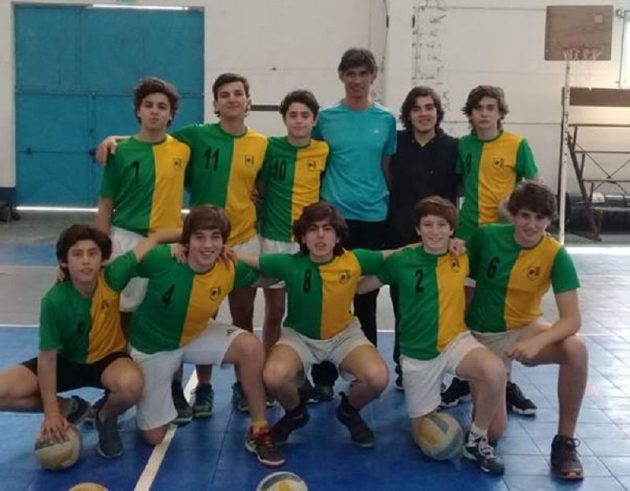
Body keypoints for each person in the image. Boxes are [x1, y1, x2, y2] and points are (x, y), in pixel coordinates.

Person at [95, 73, 267, 418]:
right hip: (160, 240)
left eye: (238, 93)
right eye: (148, 105)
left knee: (219, 313)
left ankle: (213, 386)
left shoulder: (251, 144)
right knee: (139, 316)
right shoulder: (189, 139)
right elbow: (145, 145)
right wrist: (111, 139)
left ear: (249, 100)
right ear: (215, 103)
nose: (155, 111)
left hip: (210, 240)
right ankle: (135, 387)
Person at [357, 196, 506, 474]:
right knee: (425, 439)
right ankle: (432, 412)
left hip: (455, 342)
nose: (435, 231)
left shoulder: (461, 255)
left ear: (452, 229)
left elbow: (501, 235)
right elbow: (362, 286)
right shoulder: (402, 260)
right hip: (417, 354)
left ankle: (476, 439)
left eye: (442, 225)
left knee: (495, 371)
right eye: (428, 225)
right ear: (418, 229)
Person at [128, 205, 284, 467]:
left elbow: (273, 276)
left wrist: (241, 256)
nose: (208, 245)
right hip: (154, 348)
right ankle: (139, 395)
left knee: (250, 347)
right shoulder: (162, 259)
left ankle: (259, 428)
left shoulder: (229, 266)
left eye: (215, 237)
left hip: (193, 335)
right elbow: (116, 270)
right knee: (155, 437)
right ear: (187, 240)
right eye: (199, 237)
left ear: (224, 242)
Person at [0, 224, 170, 459]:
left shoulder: (112, 276)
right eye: (77, 254)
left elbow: (155, 238)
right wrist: (51, 412)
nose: (86, 261)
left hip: (108, 360)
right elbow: (47, 360)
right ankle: (70, 408)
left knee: (131, 385)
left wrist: (187, 244)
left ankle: (105, 417)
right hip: (66, 362)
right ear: (64, 262)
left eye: (92, 253)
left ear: (104, 259)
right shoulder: (54, 301)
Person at [237, 202, 390, 449]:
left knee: (378, 378)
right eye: (313, 229)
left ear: (337, 236)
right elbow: (249, 260)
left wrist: (441, 244)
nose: (320, 236)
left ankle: (349, 411)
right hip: (299, 337)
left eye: (327, 229)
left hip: (344, 336)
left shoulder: (355, 260)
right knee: (273, 377)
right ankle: (296, 413)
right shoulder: (289, 263)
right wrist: (208, 250)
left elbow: (396, 255)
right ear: (302, 237)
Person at [465, 182, 587, 480]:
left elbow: (572, 319)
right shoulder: (487, 237)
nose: (532, 225)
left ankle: (565, 443)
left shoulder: (555, 254)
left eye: (540, 218)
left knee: (576, 349)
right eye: (525, 216)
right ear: (514, 214)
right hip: (482, 337)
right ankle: (484, 383)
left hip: (525, 330)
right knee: (493, 431)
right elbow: (462, 282)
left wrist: (539, 341)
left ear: (549, 220)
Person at [442, 85, 539, 414]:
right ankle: (464, 377)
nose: (484, 113)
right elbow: (458, 186)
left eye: (490, 108)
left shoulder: (517, 144)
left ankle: (506, 383)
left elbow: (535, 187)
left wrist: (511, 206)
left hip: (503, 238)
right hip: (469, 237)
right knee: (465, 308)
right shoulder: (464, 146)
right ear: (470, 114)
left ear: (500, 112)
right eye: (478, 108)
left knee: (499, 311)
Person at [310, 47, 397, 399]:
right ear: (341, 76)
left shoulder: (386, 120)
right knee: (330, 296)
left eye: (363, 74)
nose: (357, 80)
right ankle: (324, 376)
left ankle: (365, 369)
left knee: (366, 297)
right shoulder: (326, 118)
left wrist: (391, 210)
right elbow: (313, 162)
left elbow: (386, 168)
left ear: (373, 77)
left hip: (374, 217)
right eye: (351, 74)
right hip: (335, 219)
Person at [96, 77, 190, 333]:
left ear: (171, 115)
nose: (155, 111)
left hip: (169, 243)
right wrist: (101, 248)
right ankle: (122, 356)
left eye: (162, 106)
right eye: (148, 105)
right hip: (127, 239)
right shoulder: (120, 151)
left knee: (165, 309)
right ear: (138, 110)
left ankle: (165, 362)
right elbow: (106, 203)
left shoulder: (183, 150)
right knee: (124, 310)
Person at [387, 86, 459, 390]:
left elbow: (461, 189)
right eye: (416, 108)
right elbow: (387, 176)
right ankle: (404, 366)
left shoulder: (453, 147)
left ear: (437, 112)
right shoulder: (397, 143)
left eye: (429, 107)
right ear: (408, 114)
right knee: (403, 305)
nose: (424, 113)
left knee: (435, 307)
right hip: (401, 235)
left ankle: (437, 369)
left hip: (438, 242)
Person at [257, 90, 329, 355]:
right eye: (293, 115)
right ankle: (270, 362)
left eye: (305, 115)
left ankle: (301, 364)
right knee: (275, 310)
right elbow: (261, 186)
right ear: (284, 118)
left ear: (314, 120)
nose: (299, 120)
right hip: (274, 238)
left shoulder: (323, 150)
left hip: (308, 242)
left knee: (306, 310)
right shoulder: (270, 147)